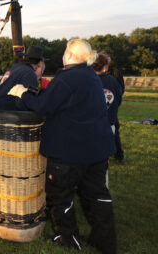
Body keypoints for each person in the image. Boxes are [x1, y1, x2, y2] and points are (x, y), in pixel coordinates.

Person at [8, 39, 117, 254]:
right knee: (96, 196)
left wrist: (22, 92)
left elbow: (44, 106)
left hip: (69, 152)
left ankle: (67, 238)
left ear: (68, 55)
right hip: (96, 150)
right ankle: (105, 242)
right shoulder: (91, 77)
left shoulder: (67, 77)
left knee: (60, 195)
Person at [0, 45, 45, 110]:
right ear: (39, 62)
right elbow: (23, 103)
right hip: (6, 114)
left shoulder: (16, 67)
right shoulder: (30, 74)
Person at [93, 53, 123, 153]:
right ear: (105, 66)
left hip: (91, 124)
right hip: (109, 122)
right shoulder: (112, 81)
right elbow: (118, 99)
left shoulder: (88, 80)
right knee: (104, 153)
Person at [101, 51, 126, 165]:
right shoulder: (94, 73)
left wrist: (114, 103)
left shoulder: (115, 73)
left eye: (108, 58)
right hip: (99, 108)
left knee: (114, 131)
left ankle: (119, 156)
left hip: (111, 106)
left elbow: (120, 89)